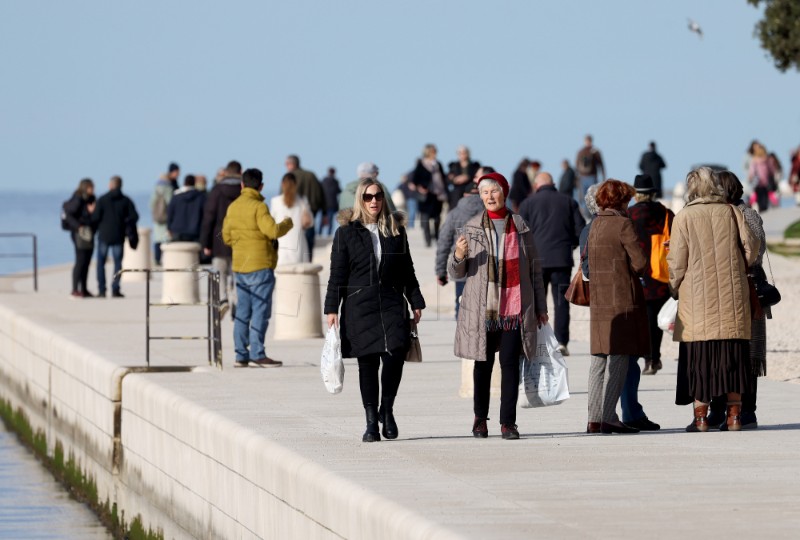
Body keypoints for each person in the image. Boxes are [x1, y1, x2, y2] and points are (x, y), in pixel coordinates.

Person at [449, 172, 548, 440]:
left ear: (503, 193)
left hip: (514, 307)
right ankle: (480, 419)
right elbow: (455, 272)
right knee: (482, 365)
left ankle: (508, 423)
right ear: (480, 196)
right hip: (483, 309)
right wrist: (458, 255)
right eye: (484, 193)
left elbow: (535, 270)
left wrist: (541, 306)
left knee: (509, 364)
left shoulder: (520, 224)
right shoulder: (471, 227)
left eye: (494, 191)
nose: (489, 197)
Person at [324, 178, 425, 442]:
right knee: (367, 364)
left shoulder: (395, 230)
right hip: (360, 306)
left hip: (391, 302)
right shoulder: (345, 233)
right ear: (360, 199)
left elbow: (408, 271)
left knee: (395, 356)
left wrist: (416, 300)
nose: (374, 201)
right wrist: (331, 307)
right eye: (368, 197)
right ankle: (371, 422)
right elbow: (337, 274)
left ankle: (387, 410)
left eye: (378, 196)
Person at [667, 167, 758, 432]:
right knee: (733, 358)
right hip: (733, 298)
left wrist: (674, 287)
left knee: (701, 361)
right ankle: (734, 418)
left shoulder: (683, 217)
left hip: (697, 301)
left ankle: (701, 419)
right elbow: (751, 250)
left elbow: (676, 261)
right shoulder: (732, 212)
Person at [581, 179, 652, 434]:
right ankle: (609, 416)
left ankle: (593, 417)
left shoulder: (594, 225)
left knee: (598, 360)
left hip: (599, 301)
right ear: (621, 199)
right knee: (619, 359)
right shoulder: (622, 224)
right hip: (621, 299)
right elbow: (640, 262)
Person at [707, 171, 769, 430]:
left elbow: (757, 249)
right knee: (725, 351)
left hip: (748, 287)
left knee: (747, 353)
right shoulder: (737, 214)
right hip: (733, 285)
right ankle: (721, 408)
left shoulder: (747, 215)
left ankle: (747, 410)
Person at [222, 168, 293, 368]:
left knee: (243, 312)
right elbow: (272, 230)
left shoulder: (233, 207)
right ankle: (258, 353)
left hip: (240, 267)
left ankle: (240, 355)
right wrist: (287, 223)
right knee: (261, 311)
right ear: (261, 186)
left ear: (242, 185)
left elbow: (226, 237)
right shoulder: (259, 207)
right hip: (261, 265)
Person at [518, 172, 585, 356]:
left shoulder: (528, 203)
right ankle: (561, 341)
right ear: (553, 183)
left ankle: (535, 340)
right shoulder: (568, 201)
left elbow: (519, 232)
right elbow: (581, 230)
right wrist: (568, 246)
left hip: (535, 261)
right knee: (561, 303)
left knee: (533, 302)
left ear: (536, 185)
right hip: (561, 260)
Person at [627, 174, 675, 375]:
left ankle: (646, 358)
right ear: (653, 193)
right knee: (656, 319)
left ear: (635, 194)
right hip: (660, 273)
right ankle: (653, 358)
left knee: (641, 319)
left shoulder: (628, 215)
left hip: (637, 273)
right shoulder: (666, 213)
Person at [435, 166, 494, 317]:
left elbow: (444, 242)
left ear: (465, 194)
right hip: (486, 268)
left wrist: (440, 271)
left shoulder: (455, 213)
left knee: (461, 305)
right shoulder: (492, 212)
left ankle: (463, 337)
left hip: (462, 267)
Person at [201, 160, 242, 318]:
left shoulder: (217, 190)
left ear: (225, 172)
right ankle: (237, 302)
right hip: (240, 238)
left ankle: (223, 300)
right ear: (240, 171)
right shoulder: (244, 190)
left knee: (220, 273)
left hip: (219, 238)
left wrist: (205, 242)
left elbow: (208, 217)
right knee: (238, 274)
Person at [93, 176, 139, 298]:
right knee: (118, 263)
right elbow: (134, 217)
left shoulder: (102, 199)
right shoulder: (126, 200)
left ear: (110, 185)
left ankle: (102, 290)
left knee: (101, 263)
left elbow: (95, 218)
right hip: (119, 235)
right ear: (121, 185)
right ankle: (115, 289)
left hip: (104, 235)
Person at [285, 155, 325, 260]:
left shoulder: (289, 177)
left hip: (294, 218)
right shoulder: (311, 175)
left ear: (291, 164)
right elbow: (320, 195)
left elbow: (284, 198)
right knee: (309, 244)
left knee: (295, 247)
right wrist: (324, 213)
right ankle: (308, 264)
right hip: (310, 216)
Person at [63, 178, 96, 298]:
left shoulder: (91, 199)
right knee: (80, 261)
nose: (93, 190)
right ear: (85, 188)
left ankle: (84, 289)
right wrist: (79, 226)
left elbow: (91, 216)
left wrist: (92, 212)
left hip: (89, 233)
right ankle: (74, 289)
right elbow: (69, 215)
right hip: (79, 234)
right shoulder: (77, 199)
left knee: (86, 262)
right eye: (91, 187)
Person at [270, 173, 313, 265]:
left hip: (281, 244)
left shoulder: (275, 201)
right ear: (296, 185)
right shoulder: (302, 201)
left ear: (282, 184)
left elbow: (271, 222)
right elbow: (310, 222)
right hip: (298, 243)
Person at [410, 144, 447, 247]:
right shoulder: (421, 164)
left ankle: (436, 236)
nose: (435, 153)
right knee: (425, 220)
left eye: (435, 151)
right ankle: (428, 241)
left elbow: (443, 178)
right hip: (425, 196)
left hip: (437, 195)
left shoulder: (438, 164)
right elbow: (415, 179)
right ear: (427, 152)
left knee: (437, 219)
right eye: (433, 151)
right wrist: (420, 187)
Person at [151, 162, 179, 265]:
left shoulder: (156, 186)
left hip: (157, 217)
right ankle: (165, 259)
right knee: (166, 238)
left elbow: (151, 203)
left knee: (157, 239)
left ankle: (157, 259)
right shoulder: (169, 187)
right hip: (166, 216)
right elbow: (170, 202)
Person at [167, 175, 206, 242]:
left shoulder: (176, 197)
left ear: (184, 183)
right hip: (195, 232)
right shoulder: (201, 197)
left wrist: (169, 228)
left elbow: (170, 213)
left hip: (177, 231)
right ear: (194, 183)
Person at [575, 135, 605, 219]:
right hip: (584, 177)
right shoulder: (583, 151)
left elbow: (601, 165)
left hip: (591, 176)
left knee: (592, 196)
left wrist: (603, 177)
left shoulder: (594, 152)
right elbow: (577, 165)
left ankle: (592, 214)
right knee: (584, 196)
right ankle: (587, 214)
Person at [748, 142, 774, 213]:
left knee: (759, 198)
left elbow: (752, 172)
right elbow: (771, 170)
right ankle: (764, 209)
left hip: (758, 183)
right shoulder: (768, 160)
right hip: (766, 182)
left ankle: (761, 210)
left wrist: (750, 178)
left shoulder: (754, 161)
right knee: (765, 198)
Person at [320, 167, 341, 236]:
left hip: (324, 203)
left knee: (322, 219)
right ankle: (328, 234)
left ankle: (319, 233)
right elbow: (339, 191)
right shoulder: (335, 181)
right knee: (330, 220)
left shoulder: (324, 180)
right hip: (332, 204)